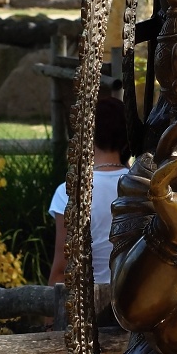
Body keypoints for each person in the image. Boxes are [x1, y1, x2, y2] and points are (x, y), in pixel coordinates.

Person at [48, 96, 129, 286]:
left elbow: (62, 270)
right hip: (134, 296)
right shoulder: (143, 186)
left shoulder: (69, 191)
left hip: (86, 298)